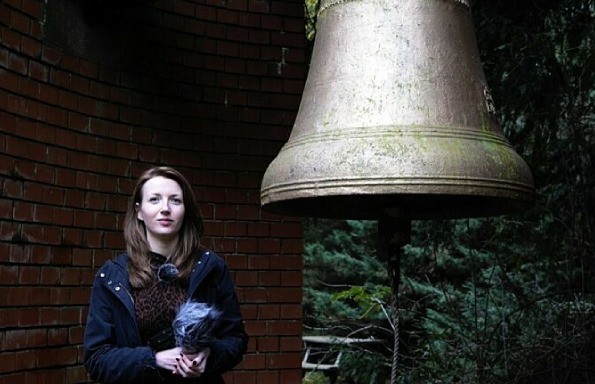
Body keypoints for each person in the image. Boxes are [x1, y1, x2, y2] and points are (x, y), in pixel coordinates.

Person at [84, 166, 248, 383]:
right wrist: (154, 360)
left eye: (175, 200)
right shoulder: (112, 275)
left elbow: (235, 339)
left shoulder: (211, 267)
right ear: (139, 211)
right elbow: (96, 358)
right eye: (154, 200)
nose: (165, 209)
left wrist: (209, 355)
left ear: (185, 210)